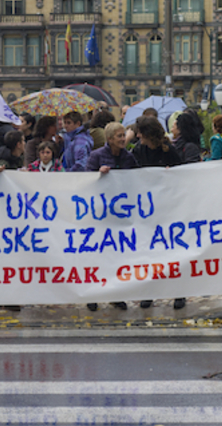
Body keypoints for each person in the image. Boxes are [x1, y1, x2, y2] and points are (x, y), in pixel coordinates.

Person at [84, 121, 138, 312]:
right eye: (119, 136)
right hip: (100, 214)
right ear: (109, 139)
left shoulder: (129, 157)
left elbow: (137, 180)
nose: (123, 139)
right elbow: (86, 180)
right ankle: (92, 294)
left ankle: (115, 295)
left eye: (124, 135)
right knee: (97, 255)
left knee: (116, 256)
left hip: (120, 214)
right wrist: (98, 175)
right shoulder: (97, 156)